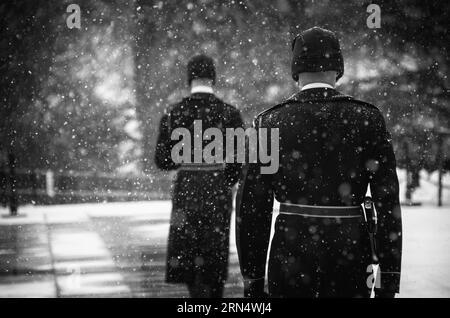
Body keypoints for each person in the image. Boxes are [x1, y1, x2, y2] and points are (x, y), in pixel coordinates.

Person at [236, 27, 402, 298]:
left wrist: (253, 277)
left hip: (290, 253)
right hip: (351, 252)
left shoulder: (267, 123)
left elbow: (253, 208)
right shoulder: (368, 119)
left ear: (296, 71)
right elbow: (387, 203)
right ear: (337, 68)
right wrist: (388, 279)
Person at [155, 54, 244, 297]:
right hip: (217, 189)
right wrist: (225, 180)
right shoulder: (229, 113)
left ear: (189, 79)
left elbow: (162, 160)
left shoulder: (175, 112)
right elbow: (239, 160)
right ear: (213, 79)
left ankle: (196, 297)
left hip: (186, 188)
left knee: (187, 252)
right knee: (214, 253)